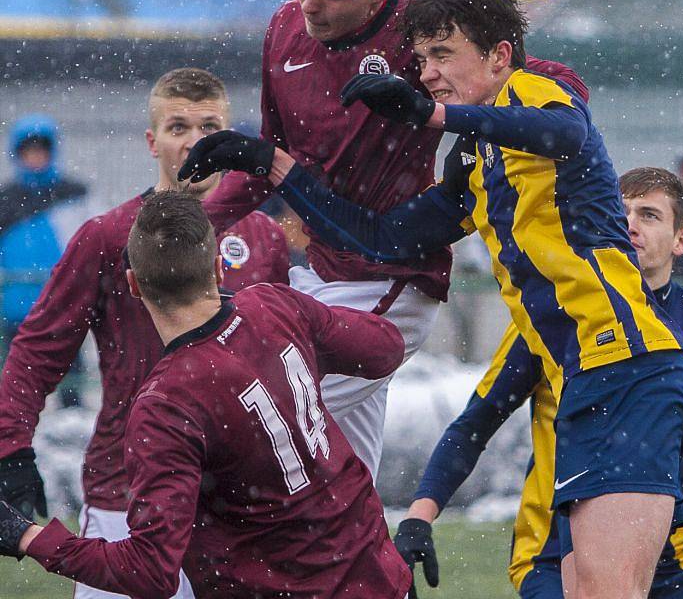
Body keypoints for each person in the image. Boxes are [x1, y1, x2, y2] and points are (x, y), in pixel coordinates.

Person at [182, 0, 683, 599]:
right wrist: (269, 162)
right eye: (422, 57)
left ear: (500, 55)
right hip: (585, 385)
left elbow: (565, 133)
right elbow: (379, 238)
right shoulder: (475, 160)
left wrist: (434, 114)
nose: (425, 70)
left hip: (633, 370)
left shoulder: (539, 90)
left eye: (443, 54)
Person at [184, 0, 586, 479]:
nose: (309, 5)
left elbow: (546, 84)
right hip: (323, 267)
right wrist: (193, 227)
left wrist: (433, 114)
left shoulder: (420, 36)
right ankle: (367, 565)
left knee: (254, 419)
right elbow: (274, 157)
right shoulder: (282, 29)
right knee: (342, 479)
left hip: (390, 281)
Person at [0, 190, 411, 599]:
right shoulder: (272, 306)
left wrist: (27, 537)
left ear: (134, 285)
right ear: (218, 268)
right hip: (379, 575)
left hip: (288, 586)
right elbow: (386, 347)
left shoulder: (165, 404)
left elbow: (150, 571)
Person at [0, 68, 289, 599]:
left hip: (242, 504)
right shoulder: (108, 235)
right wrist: (11, 449)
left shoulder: (265, 237)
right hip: (126, 494)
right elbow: (37, 353)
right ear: (152, 141)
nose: (195, 142)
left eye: (210, 127)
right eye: (179, 127)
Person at [392, 167, 683, 599]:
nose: (629, 223)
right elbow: (474, 424)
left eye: (649, 215)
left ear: (682, 240)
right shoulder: (555, 316)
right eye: (620, 211)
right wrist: (418, 518)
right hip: (556, 554)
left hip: (675, 550)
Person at [0, 115, 89, 407]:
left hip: (63, 304)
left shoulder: (74, 193)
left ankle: (71, 425)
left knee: (71, 378)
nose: (35, 156)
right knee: (17, 384)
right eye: (28, 150)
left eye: (41, 149)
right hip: (16, 307)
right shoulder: (6, 199)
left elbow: (88, 244)